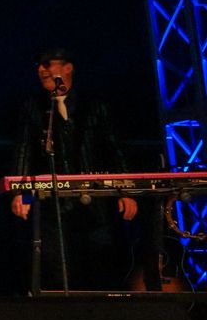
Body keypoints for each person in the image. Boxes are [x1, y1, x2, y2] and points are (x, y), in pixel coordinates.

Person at [9, 46, 141, 292]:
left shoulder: (94, 105)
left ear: (67, 68)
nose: (41, 70)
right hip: (53, 205)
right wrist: (21, 192)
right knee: (56, 266)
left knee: (100, 262)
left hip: (94, 203)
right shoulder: (33, 107)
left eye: (47, 64)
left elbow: (115, 148)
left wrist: (126, 191)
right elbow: (25, 150)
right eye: (39, 66)